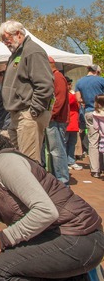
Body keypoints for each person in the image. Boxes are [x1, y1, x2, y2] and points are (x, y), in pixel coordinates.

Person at [0, 125, 104, 281]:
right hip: (54, 235)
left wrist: (3, 237)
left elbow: (46, 211)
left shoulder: (5, 161)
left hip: (81, 236)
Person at [0, 20, 54, 162]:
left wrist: (34, 111)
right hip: (17, 115)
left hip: (28, 114)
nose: (5, 43)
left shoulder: (32, 51)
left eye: (6, 38)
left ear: (18, 34)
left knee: (29, 162)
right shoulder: (18, 52)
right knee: (18, 159)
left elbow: (44, 84)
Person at [75, 64, 104, 178]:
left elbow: (78, 99)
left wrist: (87, 101)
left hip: (88, 111)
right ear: (97, 71)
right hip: (101, 110)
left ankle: (95, 169)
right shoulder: (101, 80)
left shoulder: (80, 82)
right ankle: (101, 166)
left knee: (93, 141)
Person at [44, 57, 69, 185]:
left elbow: (59, 99)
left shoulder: (57, 77)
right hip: (54, 119)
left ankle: (62, 181)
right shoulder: (55, 77)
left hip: (56, 120)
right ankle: (59, 179)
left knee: (57, 151)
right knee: (54, 150)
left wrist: (51, 115)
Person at [65, 76, 83, 170]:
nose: (70, 86)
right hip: (67, 123)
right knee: (65, 143)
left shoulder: (70, 94)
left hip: (74, 123)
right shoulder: (66, 94)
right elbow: (73, 100)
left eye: (70, 84)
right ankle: (66, 162)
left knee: (72, 143)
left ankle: (70, 161)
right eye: (68, 84)